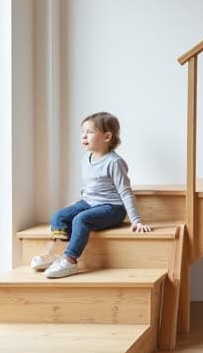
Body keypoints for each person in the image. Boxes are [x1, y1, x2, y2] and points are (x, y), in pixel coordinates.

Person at [31, 112, 151, 278]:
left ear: (107, 136)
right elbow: (89, 185)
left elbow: (125, 191)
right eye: (82, 132)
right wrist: (79, 202)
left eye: (89, 132)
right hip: (89, 202)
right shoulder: (85, 158)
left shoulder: (114, 162)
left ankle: (70, 260)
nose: (83, 136)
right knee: (59, 216)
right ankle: (56, 253)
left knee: (81, 219)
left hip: (112, 207)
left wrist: (136, 220)